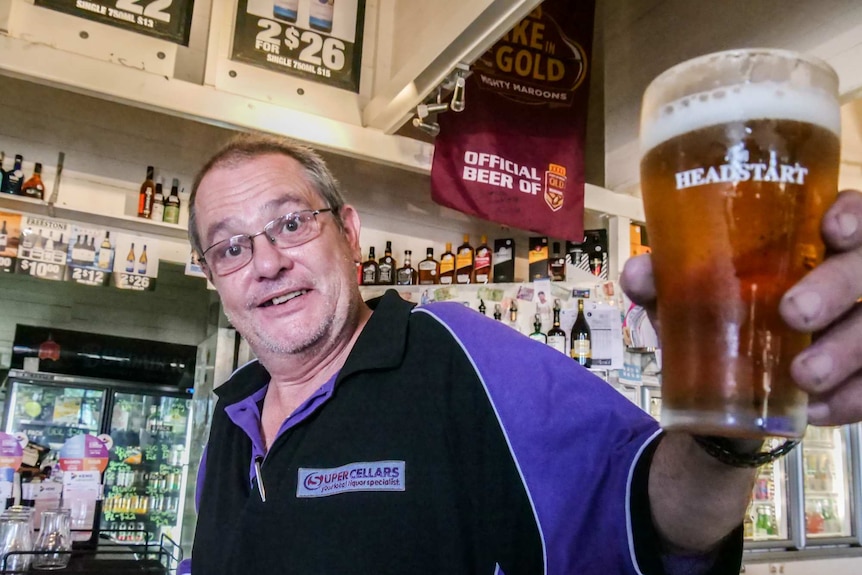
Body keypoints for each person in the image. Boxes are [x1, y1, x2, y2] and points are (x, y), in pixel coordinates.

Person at [184, 132, 862, 574]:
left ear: (350, 231)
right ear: (213, 275)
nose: (266, 261)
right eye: (231, 245)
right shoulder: (233, 409)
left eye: (291, 222)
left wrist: (729, 408)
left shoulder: (459, 354)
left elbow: (652, 515)